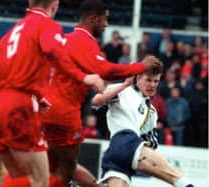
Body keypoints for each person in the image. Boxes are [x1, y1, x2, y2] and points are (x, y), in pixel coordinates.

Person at [40, 0, 162, 186]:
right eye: (105, 20)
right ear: (93, 18)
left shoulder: (67, 38)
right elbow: (106, 70)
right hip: (64, 113)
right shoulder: (83, 41)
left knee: (55, 166)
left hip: (45, 109)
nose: (106, 25)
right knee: (66, 170)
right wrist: (140, 66)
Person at [0, 0, 105, 187]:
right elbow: (53, 52)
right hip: (22, 105)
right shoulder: (47, 25)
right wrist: (84, 78)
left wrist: (37, 97)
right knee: (42, 179)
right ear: (55, 5)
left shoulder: (14, 30)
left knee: (23, 178)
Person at [92, 61, 194, 187]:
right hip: (123, 140)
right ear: (138, 78)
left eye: (156, 81)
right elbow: (96, 101)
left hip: (120, 154)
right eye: (148, 80)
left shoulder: (152, 112)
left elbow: (151, 144)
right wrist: (124, 85)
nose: (152, 85)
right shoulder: (123, 90)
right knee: (174, 175)